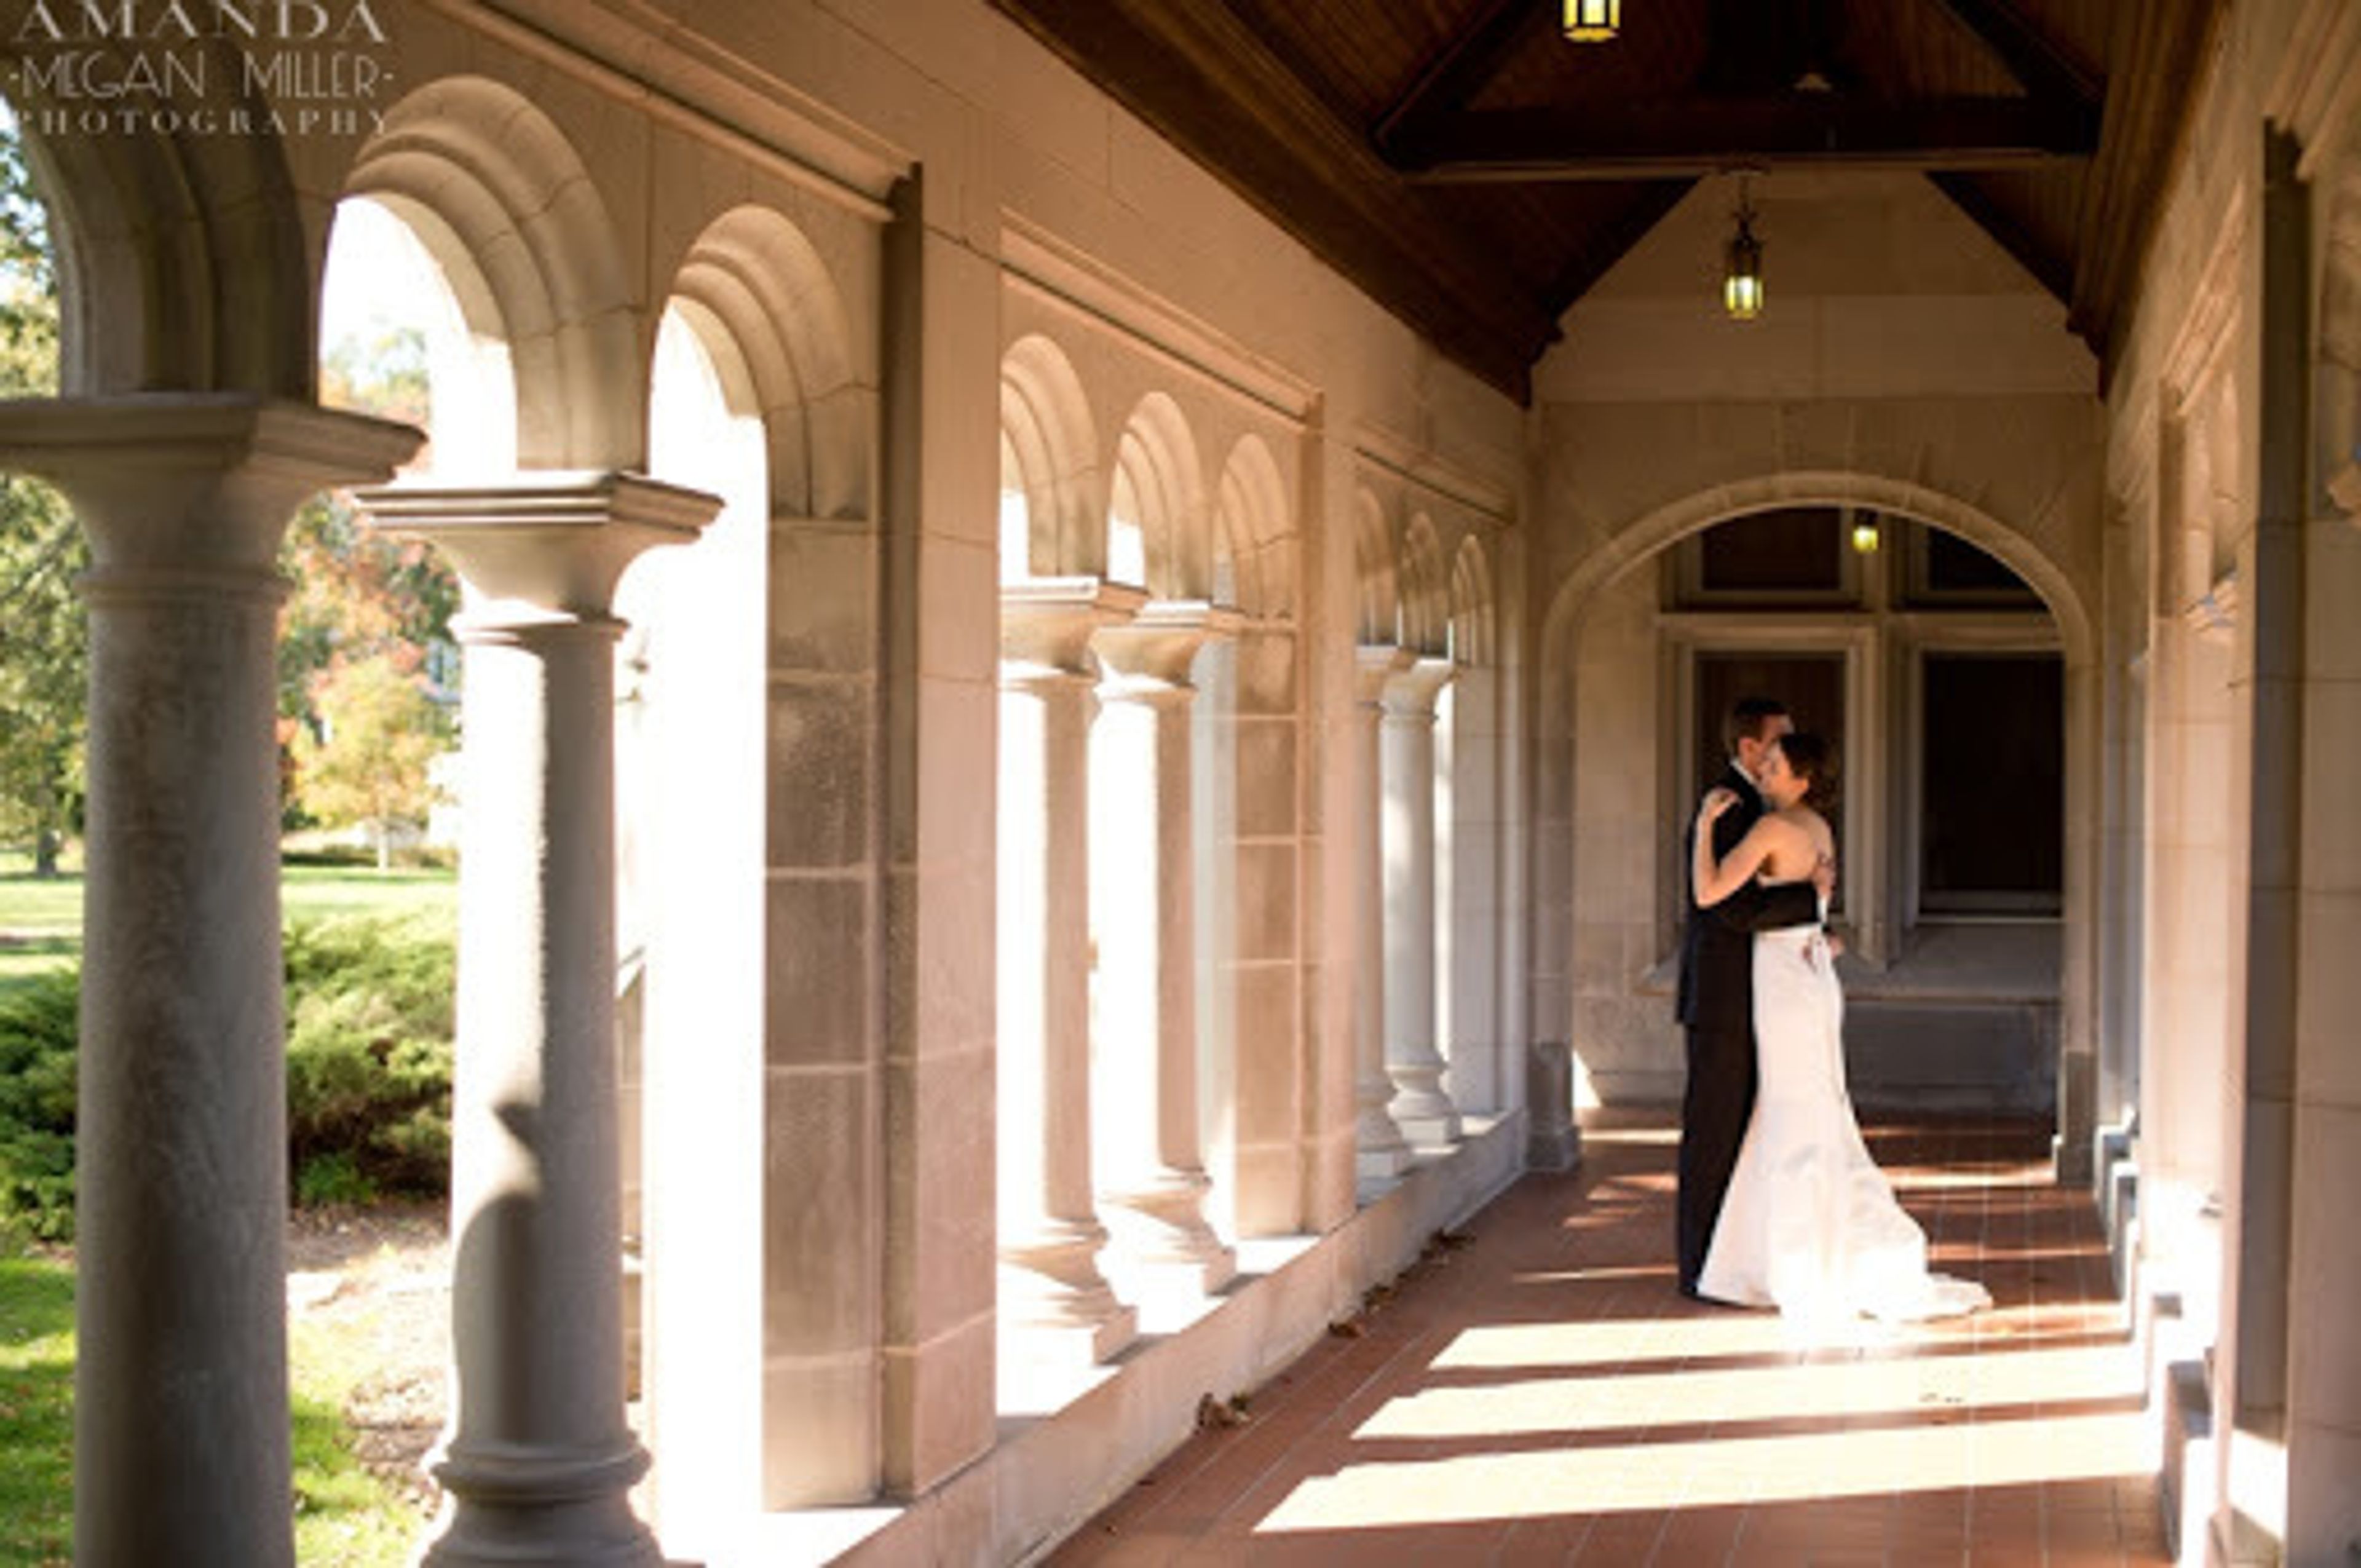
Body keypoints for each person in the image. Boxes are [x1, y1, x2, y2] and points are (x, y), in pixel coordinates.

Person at [1690, 731, 1991, 1324]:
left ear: (1802, 777)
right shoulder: (1819, 828)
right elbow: (1813, 905)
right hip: (1811, 975)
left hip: (1785, 978)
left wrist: (1704, 828)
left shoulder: (1774, 829)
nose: (1766, 771)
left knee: (1792, 1110)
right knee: (1811, 1107)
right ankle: (1802, 1251)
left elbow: (1708, 893)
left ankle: (1796, 1260)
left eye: (1775, 766)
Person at [1674, 696, 1828, 1300]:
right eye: (1781, 741)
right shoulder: (1731, 807)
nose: (1786, 750)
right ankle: (1701, 1268)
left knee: (1750, 1129)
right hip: (1723, 1002)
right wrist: (1809, 905)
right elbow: (1727, 908)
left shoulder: (1771, 811)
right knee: (1713, 1133)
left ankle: (1739, 1257)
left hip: (1763, 993)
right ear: (1750, 748)